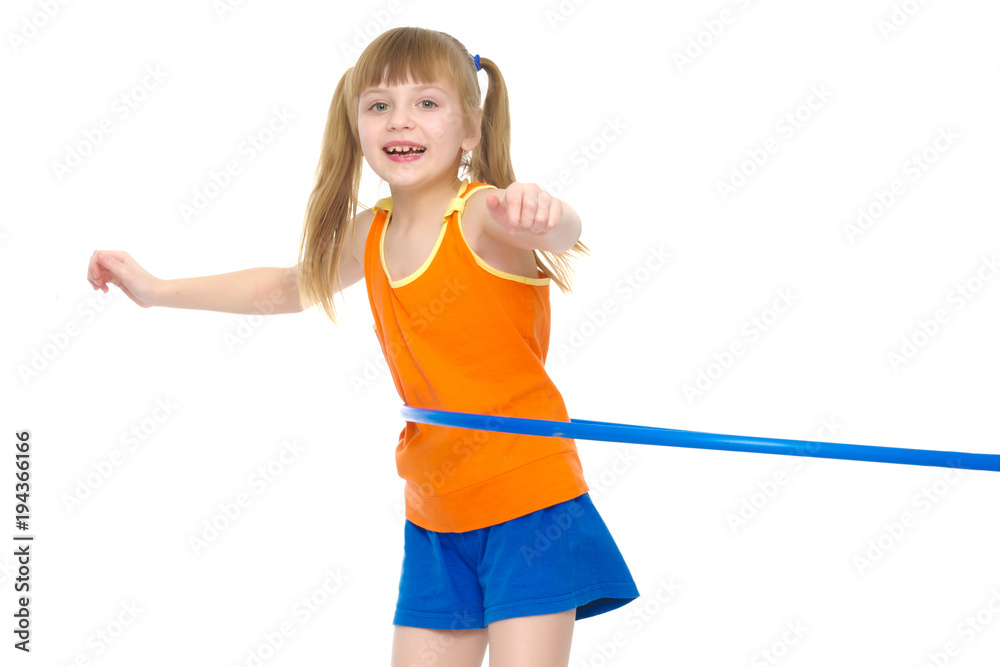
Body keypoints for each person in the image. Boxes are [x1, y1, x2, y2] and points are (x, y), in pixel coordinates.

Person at [86, 26, 639, 667]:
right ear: (356, 127)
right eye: (379, 105)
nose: (400, 119)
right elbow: (290, 287)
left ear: (470, 129)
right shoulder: (369, 232)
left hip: (527, 500)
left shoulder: (485, 214)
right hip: (435, 509)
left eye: (426, 102)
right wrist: (156, 290)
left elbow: (561, 231)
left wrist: (546, 211)